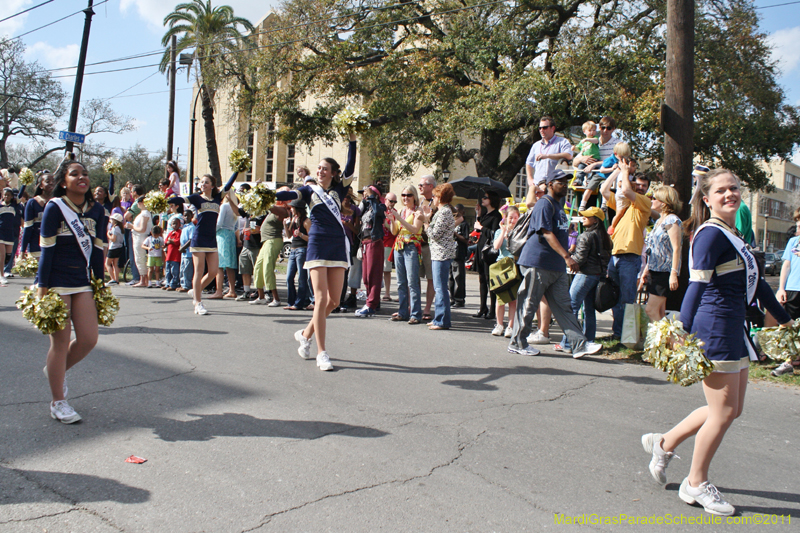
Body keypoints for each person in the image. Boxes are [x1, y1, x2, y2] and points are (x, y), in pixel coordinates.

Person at [641, 168, 793, 516]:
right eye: (722, 190)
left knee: (728, 410)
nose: (730, 194)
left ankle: (664, 443)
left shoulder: (732, 232)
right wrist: (682, 330)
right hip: (714, 329)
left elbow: (760, 286)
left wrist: (785, 321)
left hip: (733, 328)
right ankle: (694, 483)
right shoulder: (709, 235)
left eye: (735, 188)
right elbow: (696, 286)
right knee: (723, 412)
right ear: (706, 199)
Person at [275, 133, 358, 371]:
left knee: (334, 300)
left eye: (325, 168)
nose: (320, 171)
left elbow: (351, 165)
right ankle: (322, 352)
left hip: (337, 246)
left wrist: (352, 141)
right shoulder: (309, 191)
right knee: (321, 299)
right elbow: (289, 195)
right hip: (317, 245)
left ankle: (305, 333)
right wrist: (269, 194)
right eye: (319, 168)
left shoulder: (340, 190)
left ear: (333, 172)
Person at [38, 155, 107, 424]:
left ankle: (54, 371)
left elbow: (98, 252)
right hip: (56, 283)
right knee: (61, 342)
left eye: (85, 173)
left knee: (89, 339)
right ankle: (58, 401)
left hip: (83, 283)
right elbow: (46, 252)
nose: (82, 177)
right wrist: (42, 288)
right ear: (63, 182)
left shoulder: (97, 210)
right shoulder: (55, 207)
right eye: (74, 173)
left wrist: (100, 285)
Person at [508, 170, 603, 358]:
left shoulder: (559, 206)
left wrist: (564, 258)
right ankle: (517, 342)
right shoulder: (544, 203)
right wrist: (567, 256)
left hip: (555, 266)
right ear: (550, 184)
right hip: (538, 262)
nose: (565, 185)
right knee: (529, 303)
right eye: (560, 182)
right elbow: (546, 233)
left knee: (564, 306)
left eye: (566, 182)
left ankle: (579, 345)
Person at [599, 160, 651, 340]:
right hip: (615, 255)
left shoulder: (644, 203)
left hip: (630, 256)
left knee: (626, 299)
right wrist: (616, 172)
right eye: (638, 184)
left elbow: (627, 190)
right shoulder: (624, 205)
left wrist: (624, 171)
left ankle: (627, 337)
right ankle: (618, 334)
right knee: (614, 297)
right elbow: (604, 190)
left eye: (644, 186)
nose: (640, 188)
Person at [556, 207, 611, 351]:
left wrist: (569, 259)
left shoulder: (585, 236)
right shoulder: (604, 237)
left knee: (571, 308)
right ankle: (589, 340)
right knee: (589, 310)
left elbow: (580, 258)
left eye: (587, 216)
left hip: (585, 274)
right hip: (597, 275)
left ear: (596, 220)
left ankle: (568, 343)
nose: (583, 218)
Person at [184, 172, 239, 315]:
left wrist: (238, 169)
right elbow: (180, 199)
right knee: (199, 271)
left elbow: (228, 185)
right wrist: (165, 198)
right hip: (198, 238)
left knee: (213, 271)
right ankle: (198, 303)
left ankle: (196, 291)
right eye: (201, 182)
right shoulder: (196, 198)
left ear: (212, 185)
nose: (203, 184)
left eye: (206, 182)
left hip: (211, 239)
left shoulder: (217, 198)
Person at [639, 185, 683, 321]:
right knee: (660, 312)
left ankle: (672, 341)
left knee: (650, 310)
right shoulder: (659, 221)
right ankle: (664, 341)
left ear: (663, 203)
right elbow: (653, 248)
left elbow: (677, 248)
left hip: (664, 272)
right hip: (654, 270)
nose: (651, 200)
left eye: (654, 198)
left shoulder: (672, 220)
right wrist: (646, 270)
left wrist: (674, 273)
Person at [388, 185, 424, 324]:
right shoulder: (402, 211)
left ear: (414, 196)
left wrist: (399, 219)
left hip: (411, 247)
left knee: (412, 281)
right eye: (403, 195)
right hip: (399, 245)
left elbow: (415, 229)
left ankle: (415, 314)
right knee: (401, 282)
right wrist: (392, 220)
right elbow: (394, 232)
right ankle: (402, 312)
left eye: (408, 195)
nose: (405, 198)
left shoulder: (417, 211)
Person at [771, 208, 800, 376]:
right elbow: (786, 265)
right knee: (789, 325)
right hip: (793, 288)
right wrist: (781, 288)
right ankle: (788, 361)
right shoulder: (793, 242)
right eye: (797, 223)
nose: (798, 226)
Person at [250, 190, 290, 306]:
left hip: (273, 240)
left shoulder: (283, 210)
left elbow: (270, 207)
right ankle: (261, 296)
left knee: (268, 267)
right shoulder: (276, 209)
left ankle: (276, 298)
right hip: (267, 241)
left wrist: (263, 199)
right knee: (258, 267)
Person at [425, 183, 457, 329]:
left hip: (441, 254)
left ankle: (442, 320)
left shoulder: (444, 212)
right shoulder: (442, 211)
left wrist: (426, 223)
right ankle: (440, 318)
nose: (433, 199)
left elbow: (435, 235)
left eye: (435, 196)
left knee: (440, 288)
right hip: (439, 253)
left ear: (439, 197)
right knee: (440, 287)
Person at [576, 116, 622, 211]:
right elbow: (574, 161)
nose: (605, 130)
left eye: (609, 128)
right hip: (590, 181)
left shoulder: (618, 144)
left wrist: (595, 164)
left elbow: (617, 161)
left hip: (609, 182)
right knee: (588, 215)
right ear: (599, 128)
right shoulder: (589, 141)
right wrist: (582, 158)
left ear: (613, 129)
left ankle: (604, 206)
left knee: (606, 215)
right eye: (603, 128)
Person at [356, 185, 387, 316]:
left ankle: (371, 304)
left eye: (367, 193)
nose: (365, 194)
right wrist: (364, 200)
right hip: (365, 242)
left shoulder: (380, 206)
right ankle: (370, 301)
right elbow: (357, 214)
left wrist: (372, 197)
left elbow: (377, 212)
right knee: (366, 276)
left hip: (374, 241)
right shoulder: (366, 206)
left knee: (374, 274)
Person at [491, 206, 521, 338]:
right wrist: (503, 232)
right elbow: (496, 247)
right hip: (501, 265)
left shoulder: (520, 232)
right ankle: (499, 325)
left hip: (514, 265)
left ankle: (510, 326)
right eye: (511, 217)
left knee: (513, 299)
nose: (513, 220)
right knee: (500, 298)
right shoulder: (499, 231)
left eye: (516, 218)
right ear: (505, 218)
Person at [473, 190, 502, 320]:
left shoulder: (497, 215)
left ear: (492, 200)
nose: (483, 199)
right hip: (481, 248)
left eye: (485, 198)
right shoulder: (485, 214)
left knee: (490, 279)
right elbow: (478, 229)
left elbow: (494, 233)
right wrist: (478, 215)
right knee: (481, 279)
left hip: (489, 250)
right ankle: (482, 306)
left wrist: (481, 228)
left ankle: (492, 309)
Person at [525, 115, 573, 186]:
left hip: (555, 185)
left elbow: (569, 155)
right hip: (538, 185)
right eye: (540, 128)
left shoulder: (562, 142)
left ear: (552, 128)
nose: (541, 130)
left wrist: (547, 156)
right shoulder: (536, 145)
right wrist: (530, 179)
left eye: (545, 128)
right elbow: (529, 163)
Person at [20, 171, 56, 265]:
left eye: (53, 181)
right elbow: (28, 228)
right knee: (39, 277)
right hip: (36, 245)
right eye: (48, 181)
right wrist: (23, 250)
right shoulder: (32, 202)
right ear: (41, 185)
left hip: (54, 245)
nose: (51, 183)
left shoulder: (58, 202)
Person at [210, 194, 239, 299]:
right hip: (231, 234)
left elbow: (219, 223)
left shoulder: (224, 206)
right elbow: (237, 225)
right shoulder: (235, 207)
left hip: (222, 235)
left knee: (219, 265)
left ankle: (219, 291)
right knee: (230, 265)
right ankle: (232, 289)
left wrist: (211, 232)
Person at [417, 174, 437, 320]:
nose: (420, 187)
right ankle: (415, 305)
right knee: (415, 276)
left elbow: (459, 218)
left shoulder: (437, 203)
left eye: (422, 185)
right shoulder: (418, 202)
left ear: (431, 186)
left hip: (430, 246)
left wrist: (437, 233)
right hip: (417, 244)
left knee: (431, 278)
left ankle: (427, 308)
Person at [284, 199, 311, 310]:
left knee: (301, 277)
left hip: (302, 250)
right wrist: (285, 225)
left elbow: (311, 238)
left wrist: (300, 234)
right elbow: (289, 235)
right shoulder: (293, 219)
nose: (291, 209)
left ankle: (299, 303)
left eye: (292, 207)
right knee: (289, 277)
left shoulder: (306, 221)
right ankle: (291, 302)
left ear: (297, 209)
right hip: (293, 249)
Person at [126, 191, 152, 288]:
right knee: (138, 257)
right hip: (137, 236)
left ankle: (143, 279)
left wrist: (131, 226)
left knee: (140, 257)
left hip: (140, 236)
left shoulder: (145, 213)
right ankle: (142, 278)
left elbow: (142, 229)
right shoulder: (143, 213)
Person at [0, 187, 23, 285]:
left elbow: (20, 194)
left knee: (8, 257)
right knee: (2, 255)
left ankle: (2, 271)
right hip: (1, 233)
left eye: (8, 195)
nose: (6, 196)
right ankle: (1, 275)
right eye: (5, 195)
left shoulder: (15, 205)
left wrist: (25, 182)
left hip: (10, 233)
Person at [450, 203, 469, 308]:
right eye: (454, 211)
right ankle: (452, 298)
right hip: (451, 253)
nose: (456, 213)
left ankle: (459, 299)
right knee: (450, 277)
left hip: (459, 254)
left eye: (458, 211)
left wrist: (456, 234)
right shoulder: (453, 223)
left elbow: (466, 239)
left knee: (458, 277)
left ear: (462, 212)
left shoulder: (464, 224)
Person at [571, 121, 601, 186]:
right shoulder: (583, 141)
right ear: (584, 131)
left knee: (593, 171)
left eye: (594, 130)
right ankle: (579, 180)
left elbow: (596, 141)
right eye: (590, 130)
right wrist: (574, 148)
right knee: (580, 169)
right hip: (584, 161)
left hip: (594, 159)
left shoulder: (595, 138)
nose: (592, 132)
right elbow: (579, 149)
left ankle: (589, 181)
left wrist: (588, 139)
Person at [382, 192, 398, 302]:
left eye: (394, 202)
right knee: (376, 270)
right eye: (390, 201)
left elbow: (394, 231)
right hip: (378, 242)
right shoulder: (379, 209)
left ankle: (387, 293)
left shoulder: (395, 213)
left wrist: (386, 221)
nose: (392, 203)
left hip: (388, 243)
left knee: (386, 270)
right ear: (385, 199)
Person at [178, 210, 196, 292]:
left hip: (188, 252)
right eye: (185, 216)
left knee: (187, 270)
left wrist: (183, 247)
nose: (186, 217)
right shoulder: (185, 226)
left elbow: (191, 239)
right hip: (183, 253)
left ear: (192, 216)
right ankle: (183, 284)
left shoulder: (192, 227)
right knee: (182, 269)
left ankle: (187, 285)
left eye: (188, 216)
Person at [164, 216, 183, 291]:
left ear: (179, 225)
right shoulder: (170, 233)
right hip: (169, 256)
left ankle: (174, 284)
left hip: (175, 257)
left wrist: (171, 241)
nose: (174, 225)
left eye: (176, 224)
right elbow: (166, 241)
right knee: (168, 270)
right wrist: (167, 242)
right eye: (173, 224)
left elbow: (177, 241)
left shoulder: (179, 232)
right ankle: (168, 283)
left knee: (174, 271)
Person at [106, 213, 125, 285]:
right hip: (119, 247)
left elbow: (113, 239)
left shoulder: (115, 228)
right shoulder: (121, 228)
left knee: (107, 264)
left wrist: (108, 234)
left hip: (113, 247)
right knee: (115, 264)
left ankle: (112, 278)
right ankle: (116, 279)